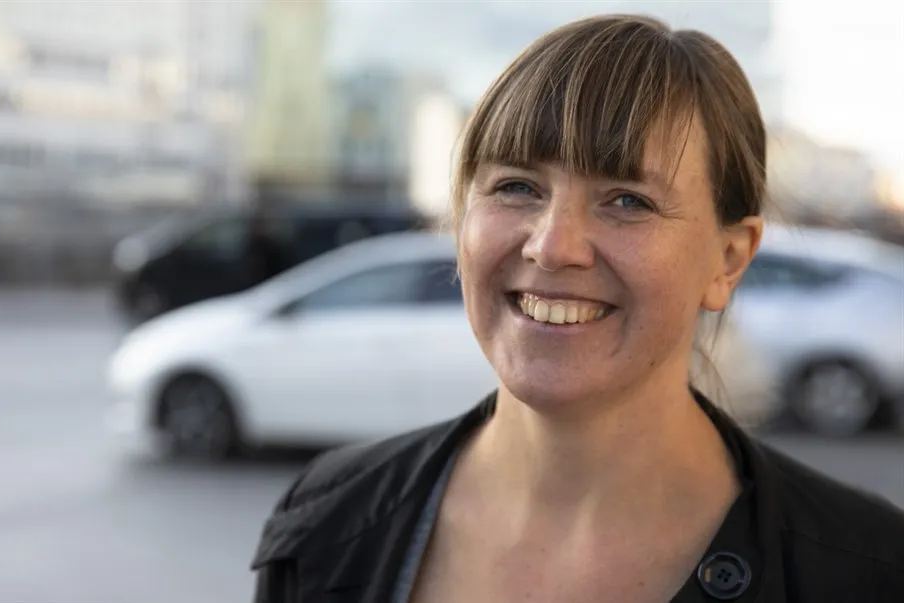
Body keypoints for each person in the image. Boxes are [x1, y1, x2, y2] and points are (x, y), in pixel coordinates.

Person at [250, 14, 904, 603]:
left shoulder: (866, 570)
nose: (552, 245)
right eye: (516, 187)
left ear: (728, 260)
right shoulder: (330, 521)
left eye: (627, 200)